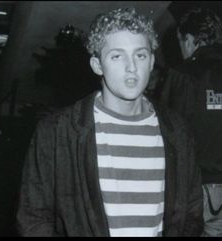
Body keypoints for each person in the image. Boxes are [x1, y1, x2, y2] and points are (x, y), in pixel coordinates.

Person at [16, 7, 203, 237]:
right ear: (97, 65)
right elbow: (34, 218)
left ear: (152, 61)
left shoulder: (178, 131)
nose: (131, 67)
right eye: (117, 55)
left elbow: (191, 216)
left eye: (140, 55)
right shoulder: (57, 133)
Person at [159, 7, 222, 237]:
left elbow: (167, 132)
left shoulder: (182, 74)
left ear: (190, 40)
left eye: (180, 41)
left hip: (193, 188)